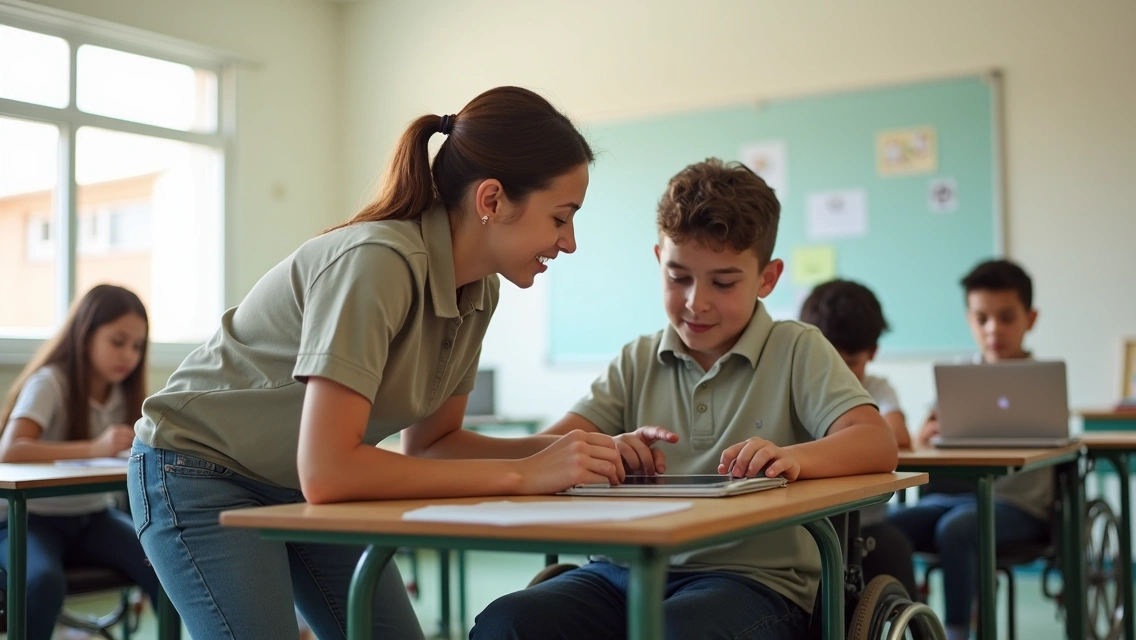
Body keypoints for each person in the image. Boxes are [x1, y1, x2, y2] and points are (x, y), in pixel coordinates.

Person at [128, 86, 625, 640]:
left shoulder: (480, 291)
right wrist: (524, 473)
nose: (571, 242)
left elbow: (435, 446)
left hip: (294, 478)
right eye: (561, 218)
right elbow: (330, 472)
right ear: (491, 200)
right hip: (198, 470)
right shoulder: (378, 261)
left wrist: (575, 456)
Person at [471, 158, 897, 640]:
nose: (696, 301)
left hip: (749, 581)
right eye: (678, 277)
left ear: (767, 279)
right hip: (622, 569)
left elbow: (876, 443)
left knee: (675, 633)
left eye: (723, 282)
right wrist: (605, 449)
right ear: (658, 261)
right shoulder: (638, 358)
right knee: (508, 624)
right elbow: (552, 449)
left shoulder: (798, 349)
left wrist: (790, 457)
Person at [889, 259, 1051, 640]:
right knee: (886, 528)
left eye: (1006, 317)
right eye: (982, 318)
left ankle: (957, 631)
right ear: (969, 320)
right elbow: (920, 440)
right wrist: (926, 435)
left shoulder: (1043, 382)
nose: (993, 329)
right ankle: (904, 622)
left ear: (1030, 318)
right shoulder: (956, 378)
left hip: (1021, 506)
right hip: (954, 499)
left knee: (957, 528)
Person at [0, 284, 161, 640]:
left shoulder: (125, 394)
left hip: (92, 518)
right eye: (117, 341)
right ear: (85, 334)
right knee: (42, 582)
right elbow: (10, 450)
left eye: (137, 345)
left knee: (166, 564)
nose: (129, 355)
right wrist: (94, 448)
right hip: (28, 522)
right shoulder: (50, 383)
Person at [799, 278, 918, 599]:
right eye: (831, 363)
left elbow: (897, 435)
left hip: (864, 523)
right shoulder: (800, 387)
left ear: (872, 353)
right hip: (807, 524)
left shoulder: (877, 388)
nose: (842, 375)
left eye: (851, 363)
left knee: (892, 546)